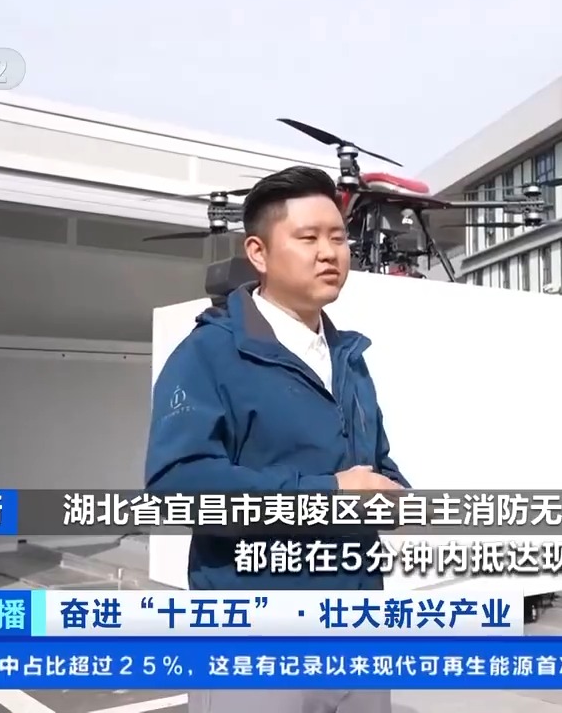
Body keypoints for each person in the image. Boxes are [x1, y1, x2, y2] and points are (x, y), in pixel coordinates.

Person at [145, 165, 409, 713]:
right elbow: (177, 487)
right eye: (308, 238)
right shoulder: (209, 354)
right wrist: (329, 495)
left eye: (338, 238)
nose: (330, 253)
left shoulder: (349, 358)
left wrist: (394, 496)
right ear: (259, 253)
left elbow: (375, 464)